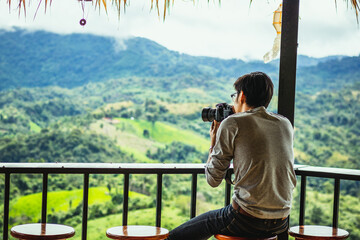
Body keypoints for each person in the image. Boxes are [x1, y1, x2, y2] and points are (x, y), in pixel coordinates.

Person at [167, 72, 297, 240]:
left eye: (234, 95)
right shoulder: (284, 123)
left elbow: (213, 180)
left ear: (242, 95)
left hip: (246, 219)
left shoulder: (233, 123)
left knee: (174, 237)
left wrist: (214, 139)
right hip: (281, 222)